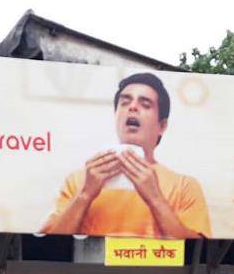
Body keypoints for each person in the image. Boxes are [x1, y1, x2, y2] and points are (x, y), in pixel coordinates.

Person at [43, 72, 211, 239]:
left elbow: (196, 254)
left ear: (162, 126)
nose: (132, 107)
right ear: (116, 117)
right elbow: (49, 249)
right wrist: (85, 194)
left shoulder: (184, 186)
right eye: (124, 102)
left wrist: (155, 198)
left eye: (145, 104)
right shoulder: (79, 180)